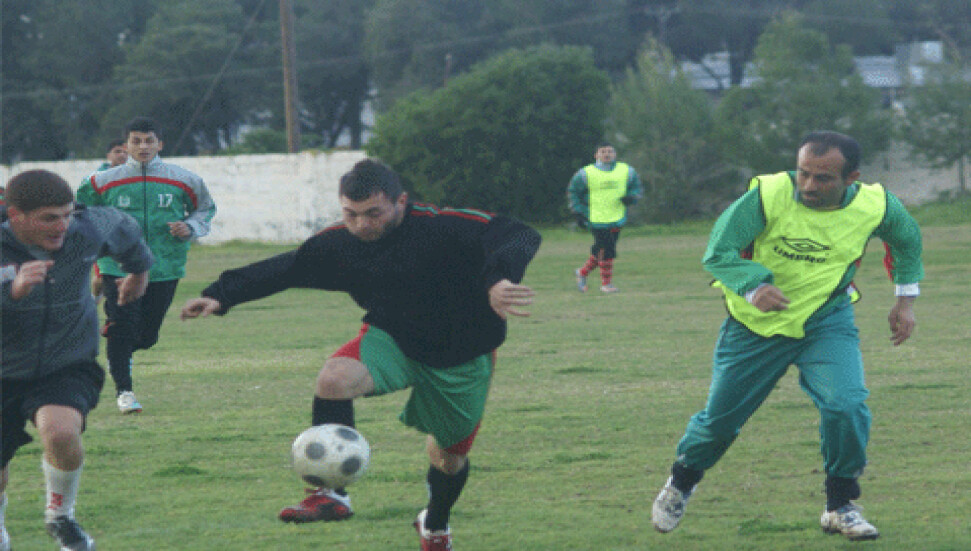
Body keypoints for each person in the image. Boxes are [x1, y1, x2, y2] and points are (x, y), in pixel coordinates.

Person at [180, 158, 540, 551]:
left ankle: (434, 523)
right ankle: (332, 496)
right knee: (333, 379)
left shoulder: (442, 226)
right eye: (350, 214)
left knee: (448, 459)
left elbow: (517, 234)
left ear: (401, 202)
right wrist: (220, 294)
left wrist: (499, 277)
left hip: (462, 355)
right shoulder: (340, 244)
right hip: (393, 340)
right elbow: (288, 268)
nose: (362, 225)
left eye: (374, 213)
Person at [650, 131, 923, 541]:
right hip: (754, 326)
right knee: (720, 423)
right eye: (804, 174)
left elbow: (907, 239)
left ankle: (840, 505)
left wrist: (905, 301)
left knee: (846, 405)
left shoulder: (876, 204)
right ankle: (681, 482)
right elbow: (718, 251)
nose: (810, 186)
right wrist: (753, 285)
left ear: (852, 178)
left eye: (824, 178)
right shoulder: (769, 194)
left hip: (826, 320)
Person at [1, 170, 153, 551]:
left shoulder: (87, 228)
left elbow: (126, 227)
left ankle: (61, 516)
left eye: (67, 214)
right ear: (15, 214)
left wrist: (139, 269)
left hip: (67, 360)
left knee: (61, 432)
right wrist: (11, 291)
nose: (62, 226)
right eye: (49, 218)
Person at [76, 116, 217, 414]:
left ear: (160, 144)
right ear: (125, 145)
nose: (143, 146)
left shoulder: (185, 179)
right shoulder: (100, 182)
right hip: (118, 266)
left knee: (147, 336)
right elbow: (80, 213)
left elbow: (205, 209)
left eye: (149, 140)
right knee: (124, 328)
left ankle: (116, 346)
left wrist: (189, 227)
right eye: (136, 141)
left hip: (165, 266)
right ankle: (124, 392)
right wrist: (99, 246)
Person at [567, 141, 643, 293]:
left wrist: (632, 197)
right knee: (607, 249)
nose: (607, 154)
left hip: (617, 217)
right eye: (603, 152)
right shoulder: (585, 173)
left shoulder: (626, 170)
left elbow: (636, 188)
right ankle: (606, 285)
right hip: (596, 219)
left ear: (615, 154)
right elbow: (573, 192)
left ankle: (582, 273)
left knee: (602, 250)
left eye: (610, 151)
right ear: (596, 155)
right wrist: (578, 212)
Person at [90, 138, 129, 302]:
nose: (122, 155)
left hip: (128, 232)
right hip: (104, 234)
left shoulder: (134, 176)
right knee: (102, 275)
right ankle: (95, 298)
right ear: (108, 155)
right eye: (117, 151)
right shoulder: (97, 178)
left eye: (125, 152)